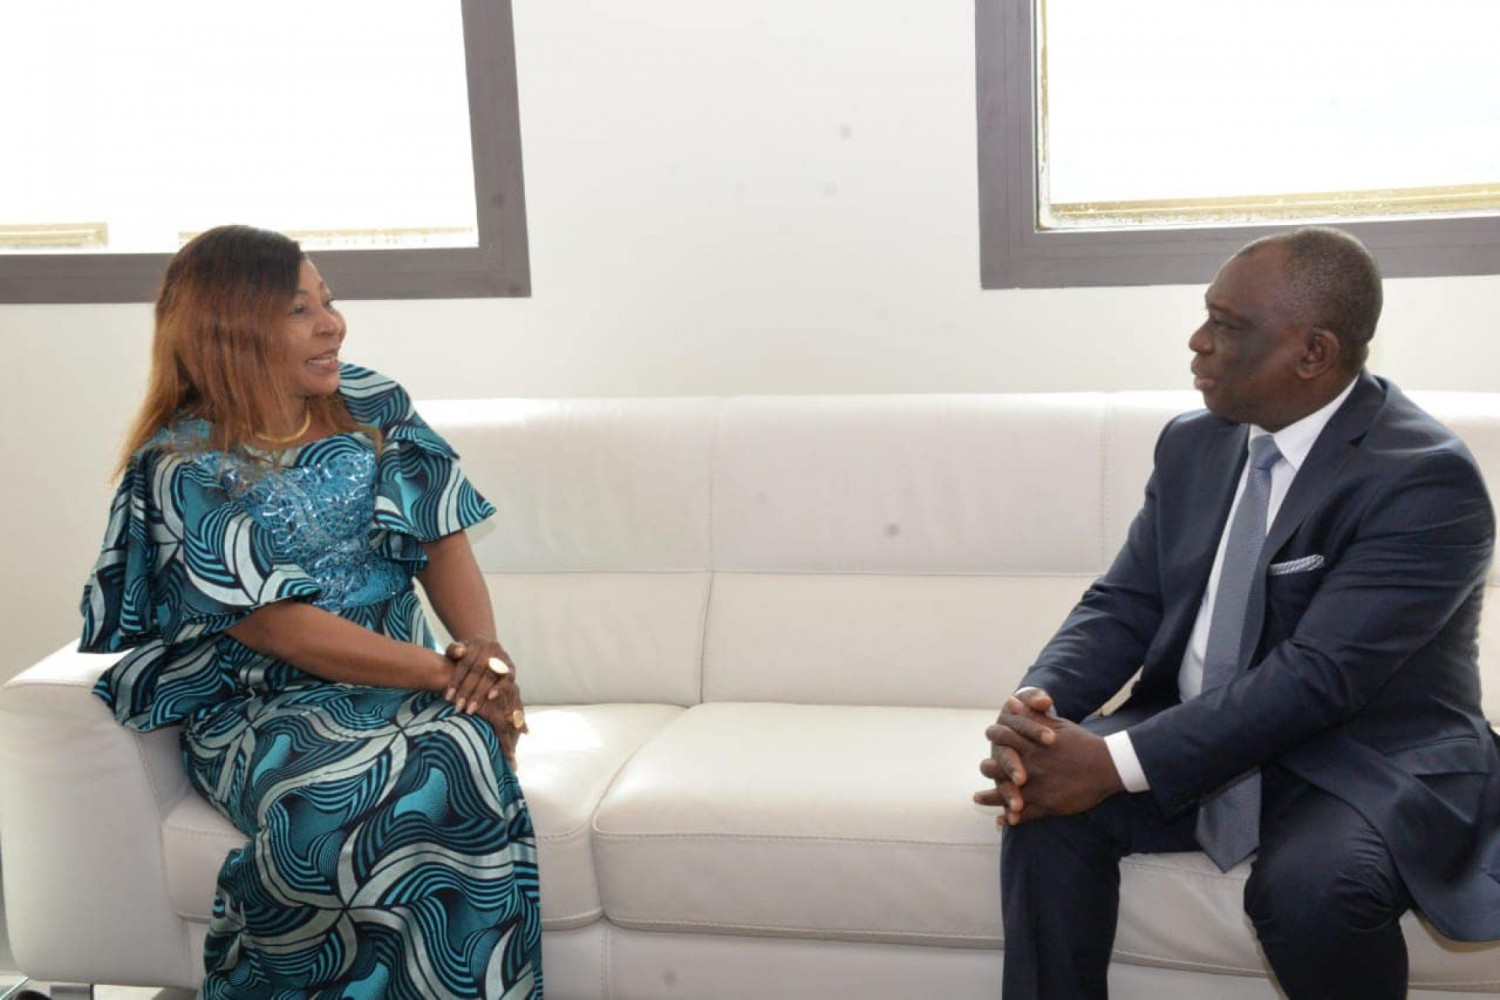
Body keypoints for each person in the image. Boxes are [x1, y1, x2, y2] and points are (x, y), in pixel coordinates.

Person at [975, 226, 1500, 999]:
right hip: (1195, 725)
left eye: (1226, 326)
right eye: (1206, 316)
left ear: (1313, 353)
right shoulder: (1195, 443)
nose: (1198, 342)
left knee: (1313, 893)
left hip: (1356, 759)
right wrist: (1037, 715)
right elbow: (1126, 602)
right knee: (1044, 810)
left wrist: (1114, 764)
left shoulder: (1423, 480)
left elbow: (1318, 677)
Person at [79, 225, 542, 998]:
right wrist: (448, 675)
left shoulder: (372, 402)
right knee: (365, 788)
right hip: (262, 705)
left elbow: (439, 535)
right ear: (231, 330)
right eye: (301, 310)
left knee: (455, 748)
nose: (333, 325)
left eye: (327, 302)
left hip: (404, 683)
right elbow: (276, 625)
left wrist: (483, 653)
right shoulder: (181, 463)